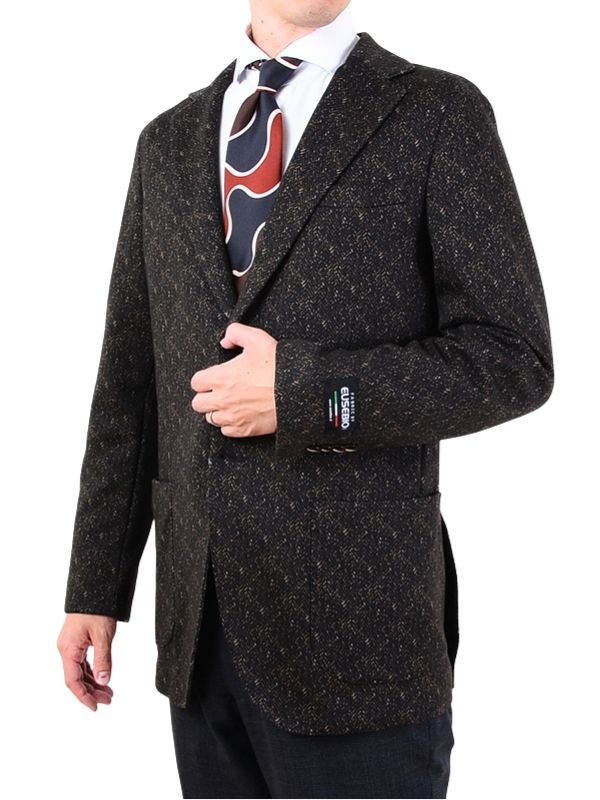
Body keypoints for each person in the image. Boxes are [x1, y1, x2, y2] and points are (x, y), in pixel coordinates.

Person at [57, 1, 554, 797]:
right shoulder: (167, 141)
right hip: (199, 632)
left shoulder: (435, 112)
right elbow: (130, 387)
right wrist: (95, 585)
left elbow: (513, 358)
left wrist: (307, 394)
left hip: (360, 637)